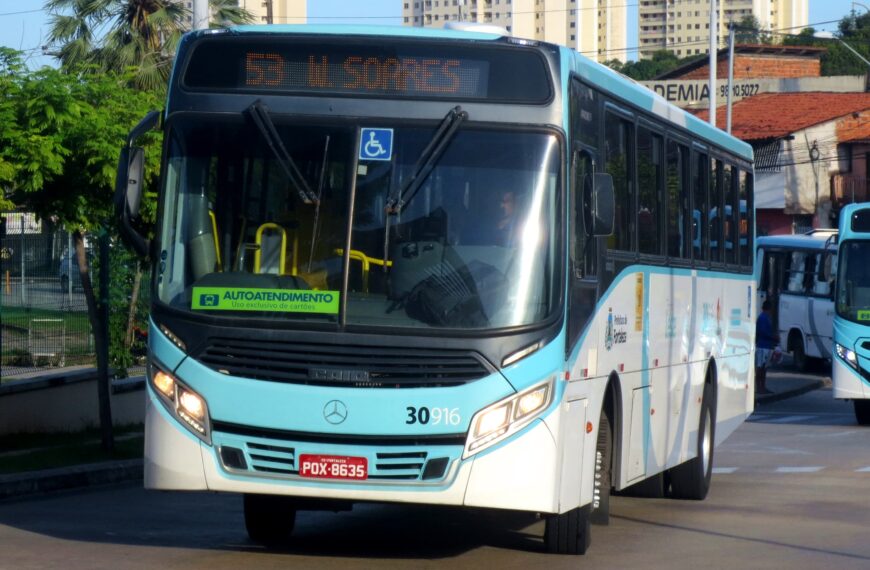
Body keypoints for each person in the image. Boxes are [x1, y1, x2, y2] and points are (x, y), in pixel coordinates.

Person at [755, 300, 779, 395]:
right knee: (760, 367)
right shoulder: (763, 318)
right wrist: (773, 337)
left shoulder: (766, 318)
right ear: (768, 309)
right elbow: (763, 332)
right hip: (762, 346)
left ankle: (763, 387)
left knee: (764, 368)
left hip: (767, 346)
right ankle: (759, 387)